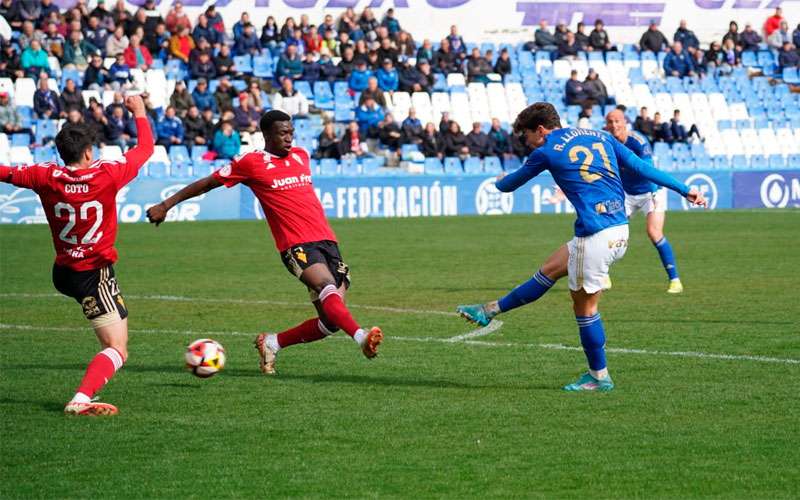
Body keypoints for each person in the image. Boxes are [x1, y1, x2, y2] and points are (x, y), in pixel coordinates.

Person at [455, 102, 705, 391]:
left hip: (596, 236)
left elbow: (509, 185)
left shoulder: (545, 151)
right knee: (549, 269)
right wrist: (686, 190)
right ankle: (489, 310)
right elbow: (640, 167)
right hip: (619, 229)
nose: (525, 143)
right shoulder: (600, 136)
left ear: (540, 130)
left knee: (585, 310)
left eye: (525, 137)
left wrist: (499, 181)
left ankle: (599, 376)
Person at [146, 110, 383, 373]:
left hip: (327, 240)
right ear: (267, 135)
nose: (289, 138)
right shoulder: (251, 163)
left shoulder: (301, 156)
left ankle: (272, 343)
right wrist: (166, 204)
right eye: (283, 133)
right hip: (296, 244)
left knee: (330, 322)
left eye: (291, 132)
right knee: (326, 286)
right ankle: (361, 337)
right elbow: (207, 184)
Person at [0, 95, 153, 415]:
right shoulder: (107, 174)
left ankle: (86, 394)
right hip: (92, 273)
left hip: (64, 270)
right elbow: (144, 150)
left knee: (113, 339)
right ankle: (81, 398)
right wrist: (139, 111)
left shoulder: (44, 176)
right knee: (117, 348)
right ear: (88, 152)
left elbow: (6, 173)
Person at [605, 109, 684, 293]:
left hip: (650, 192)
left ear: (625, 122)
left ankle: (675, 280)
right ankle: (603, 276)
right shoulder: (607, 143)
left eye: (617, 121)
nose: (614, 125)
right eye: (610, 121)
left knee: (654, 232)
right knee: (609, 232)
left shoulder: (638, 142)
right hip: (626, 195)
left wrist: (655, 192)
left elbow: (647, 168)